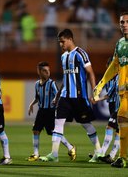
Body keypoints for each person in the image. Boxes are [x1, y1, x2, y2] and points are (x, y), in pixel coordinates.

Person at [40, 29, 101, 163]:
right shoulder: (63, 57)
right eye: (59, 42)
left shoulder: (80, 53)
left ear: (70, 39)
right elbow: (66, 77)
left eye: (62, 42)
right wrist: (57, 96)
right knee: (58, 123)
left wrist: (95, 92)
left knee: (86, 124)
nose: (61, 45)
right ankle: (54, 154)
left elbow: (90, 73)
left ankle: (99, 152)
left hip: (79, 97)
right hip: (65, 97)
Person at [93, 11, 128, 168]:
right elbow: (114, 65)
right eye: (122, 22)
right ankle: (123, 157)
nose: (124, 25)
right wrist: (101, 84)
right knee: (122, 121)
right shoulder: (120, 44)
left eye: (127, 22)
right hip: (124, 94)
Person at [27, 61, 76, 162]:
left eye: (48, 70)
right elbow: (37, 97)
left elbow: (58, 95)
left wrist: (58, 106)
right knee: (35, 130)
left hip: (50, 112)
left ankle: (70, 147)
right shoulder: (37, 84)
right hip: (41, 111)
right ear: (39, 71)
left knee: (54, 133)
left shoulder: (52, 84)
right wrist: (31, 104)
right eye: (45, 71)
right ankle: (36, 154)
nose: (47, 73)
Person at [92, 74, 120, 164]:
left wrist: (98, 99)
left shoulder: (121, 77)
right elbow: (110, 94)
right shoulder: (116, 78)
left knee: (114, 129)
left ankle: (105, 154)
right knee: (117, 130)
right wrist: (98, 99)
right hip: (116, 108)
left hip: (122, 108)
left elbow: (109, 94)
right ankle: (106, 154)